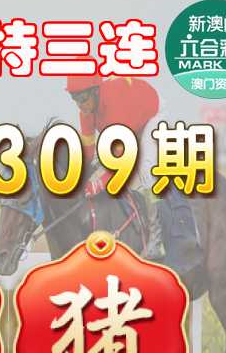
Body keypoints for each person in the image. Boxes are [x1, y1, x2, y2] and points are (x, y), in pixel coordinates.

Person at [66, 72, 202, 275]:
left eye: (83, 98)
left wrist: (97, 184)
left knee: (147, 172)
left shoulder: (115, 105)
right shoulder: (86, 110)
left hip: (151, 115)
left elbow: (123, 162)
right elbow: (88, 153)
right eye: (74, 98)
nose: (80, 104)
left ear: (95, 91)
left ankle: (156, 239)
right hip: (128, 124)